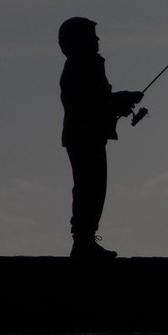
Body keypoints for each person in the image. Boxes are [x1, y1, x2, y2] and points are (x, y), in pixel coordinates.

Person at [58, 17, 143, 259]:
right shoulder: (82, 67)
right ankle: (83, 243)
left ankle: (85, 241)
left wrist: (119, 101)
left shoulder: (83, 66)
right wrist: (120, 101)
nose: (97, 40)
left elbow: (95, 103)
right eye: (91, 36)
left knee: (92, 189)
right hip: (85, 137)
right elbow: (89, 105)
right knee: (90, 189)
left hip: (86, 135)